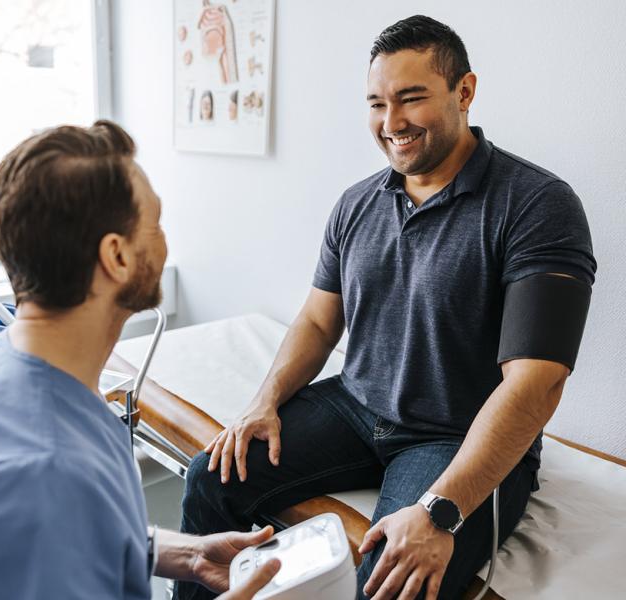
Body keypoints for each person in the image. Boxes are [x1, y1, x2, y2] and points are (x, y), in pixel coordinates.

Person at [178, 15, 596, 600]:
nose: (391, 122)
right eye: (376, 103)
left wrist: (440, 513)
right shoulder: (357, 204)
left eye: (411, 98)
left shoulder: (536, 205)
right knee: (212, 477)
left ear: (465, 91)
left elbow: (537, 384)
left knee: (389, 581)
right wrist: (264, 402)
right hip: (356, 408)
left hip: (455, 435)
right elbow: (320, 320)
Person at [0, 121, 280, 599]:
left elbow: (72, 537)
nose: (164, 239)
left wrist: (185, 554)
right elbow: (48, 523)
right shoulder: (47, 473)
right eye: (156, 223)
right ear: (117, 256)